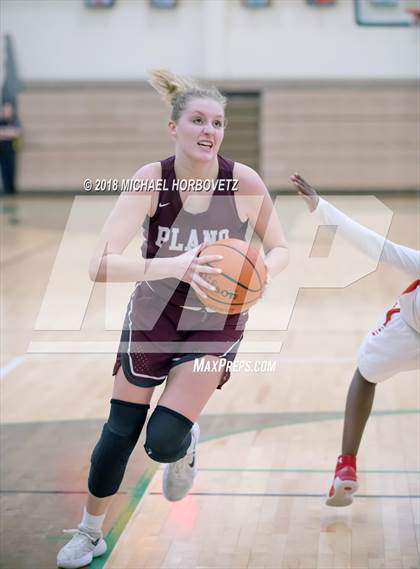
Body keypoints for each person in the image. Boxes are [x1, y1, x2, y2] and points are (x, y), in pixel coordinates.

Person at [57, 70, 288, 569]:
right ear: (173, 127)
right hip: (154, 315)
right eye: (198, 120)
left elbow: (281, 247)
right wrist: (173, 265)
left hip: (214, 322)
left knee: (162, 443)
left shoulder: (241, 181)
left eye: (218, 123)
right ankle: (89, 531)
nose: (210, 131)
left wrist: (262, 274)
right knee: (119, 432)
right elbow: (97, 264)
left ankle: (185, 447)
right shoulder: (151, 180)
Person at [290, 173, 419, 507]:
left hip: (407, 332)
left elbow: (378, 247)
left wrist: (320, 208)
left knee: (365, 374)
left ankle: (346, 465)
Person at [0, 100, 21, 195]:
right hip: (2, 150)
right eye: (5, 109)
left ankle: (11, 190)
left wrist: (5, 133)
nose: (7, 111)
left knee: (11, 170)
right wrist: (8, 132)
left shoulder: (15, 120)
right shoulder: (1, 121)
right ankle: (6, 189)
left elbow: (17, 133)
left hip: (11, 150)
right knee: (4, 171)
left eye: (9, 109)